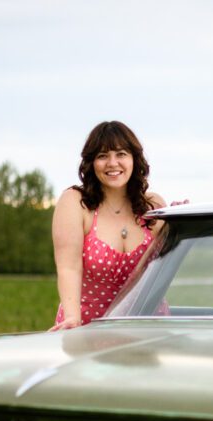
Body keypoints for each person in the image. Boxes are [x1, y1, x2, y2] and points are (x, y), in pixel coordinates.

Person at [50, 121, 168, 331]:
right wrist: (72, 318)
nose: (112, 163)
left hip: (146, 327)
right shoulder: (76, 203)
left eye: (121, 154)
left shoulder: (154, 206)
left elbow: (169, 263)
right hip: (85, 328)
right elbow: (69, 267)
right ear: (91, 162)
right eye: (102, 156)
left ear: (134, 159)